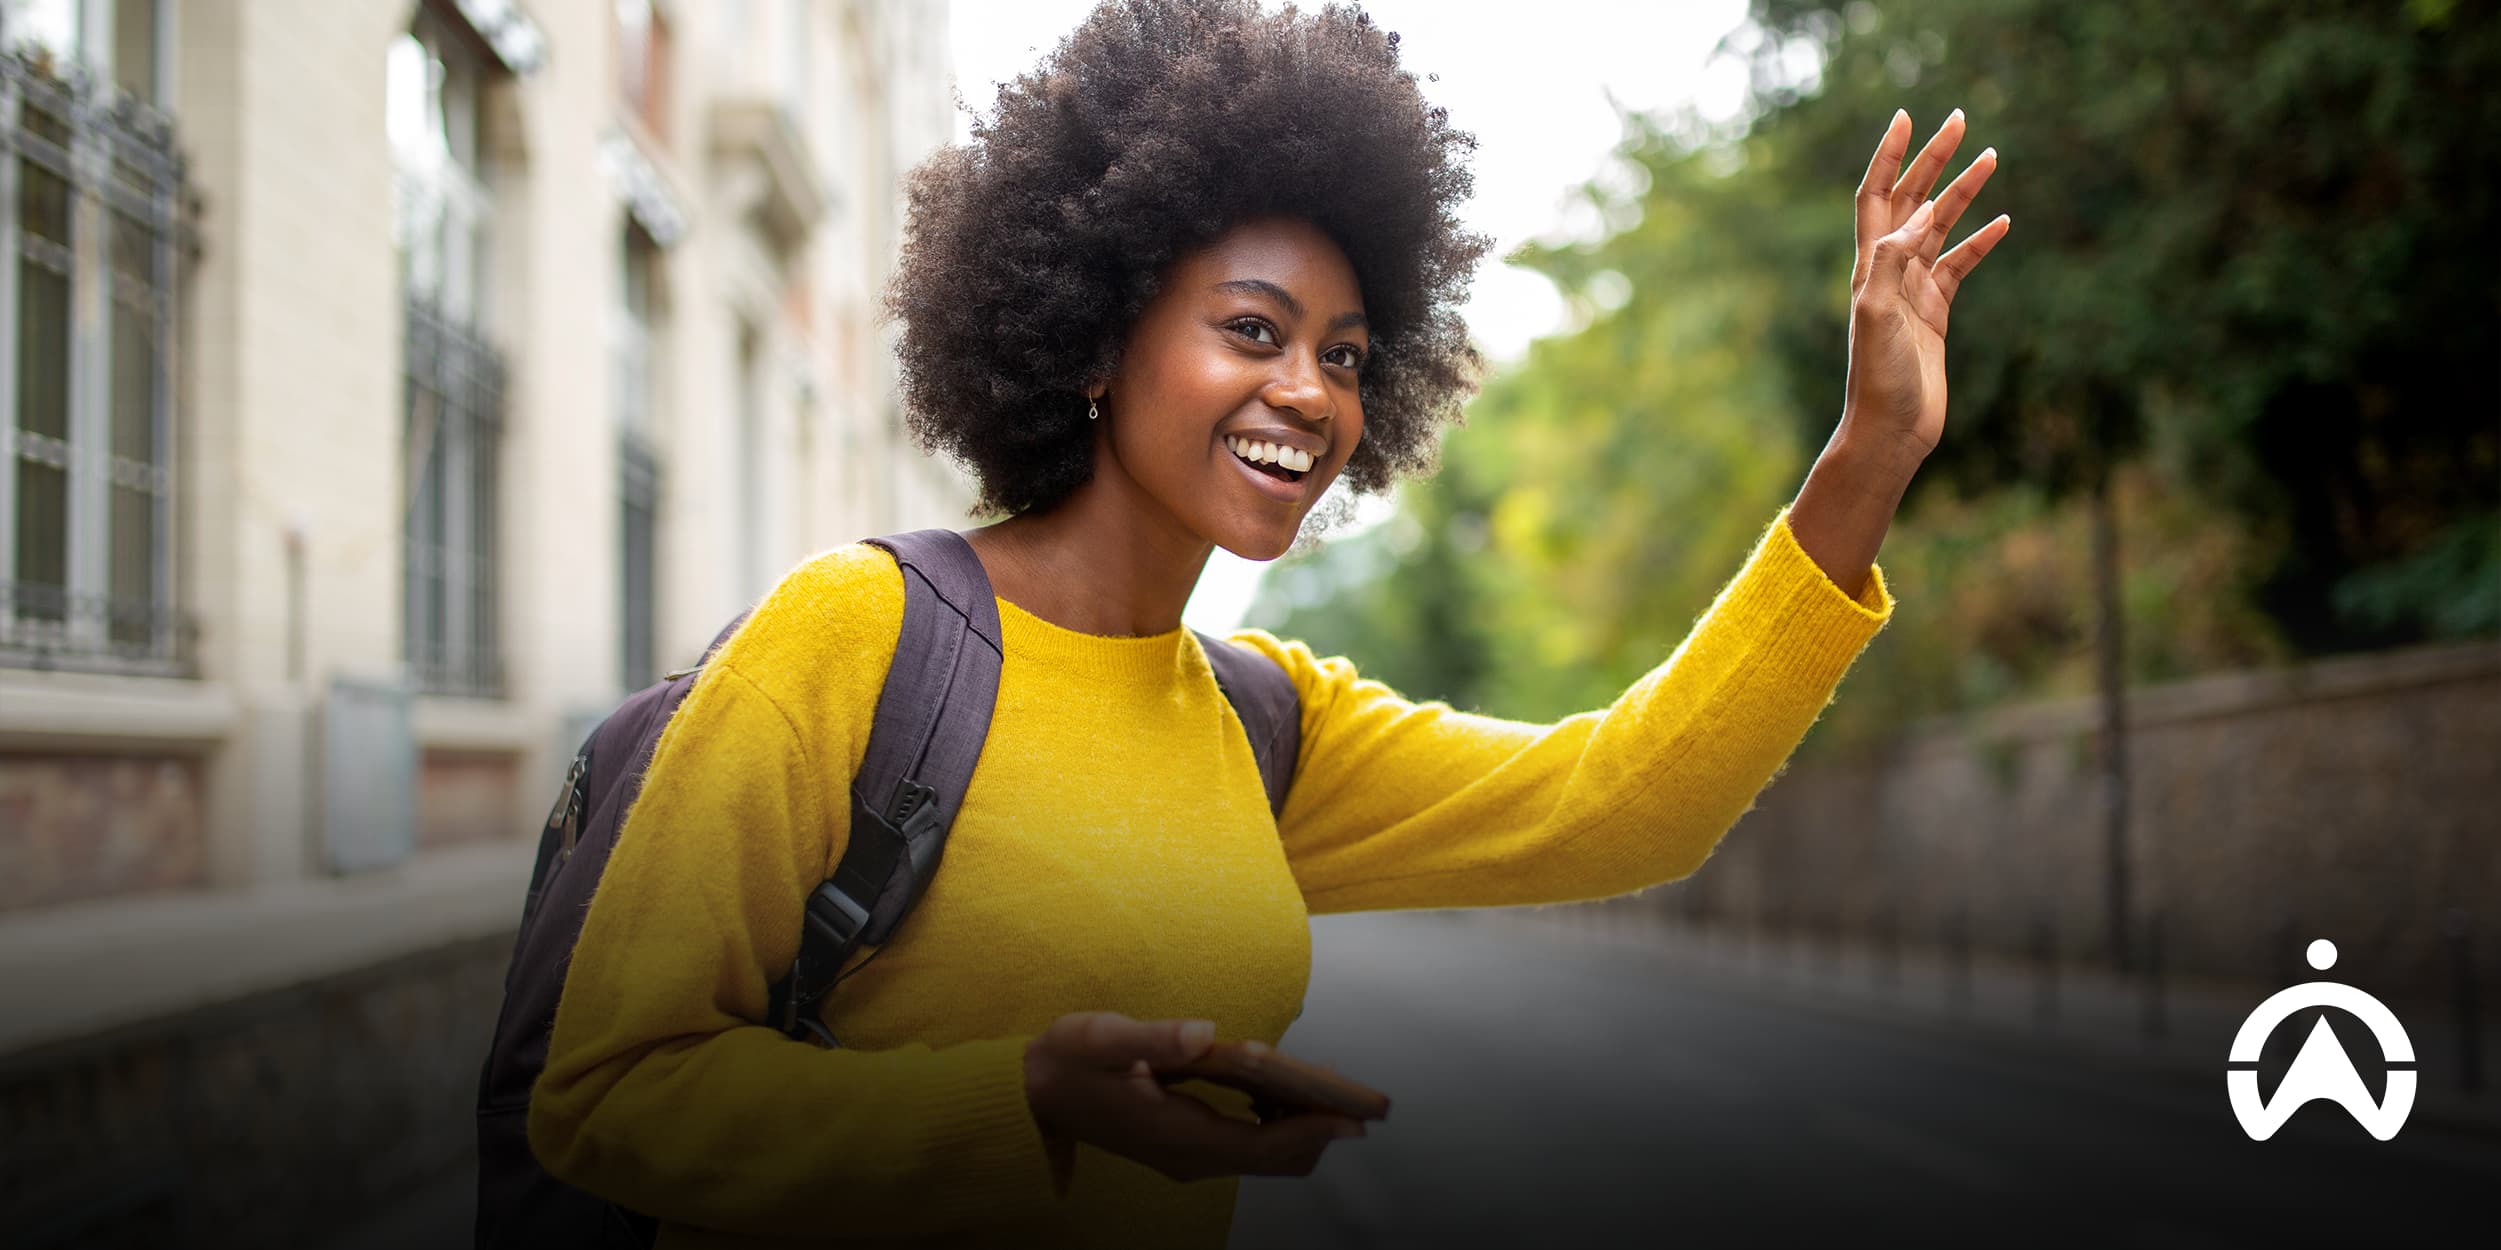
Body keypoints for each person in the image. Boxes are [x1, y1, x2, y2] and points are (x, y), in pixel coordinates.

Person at [527, 0, 2008, 1246]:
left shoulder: (1263, 720)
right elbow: (604, 1094)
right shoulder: (855, 633)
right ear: (1098, 338)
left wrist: (1867, 452)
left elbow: (1622, 804)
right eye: (1251, 328)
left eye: (1347, 356)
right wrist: (1020, 1096)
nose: (1310, 391)